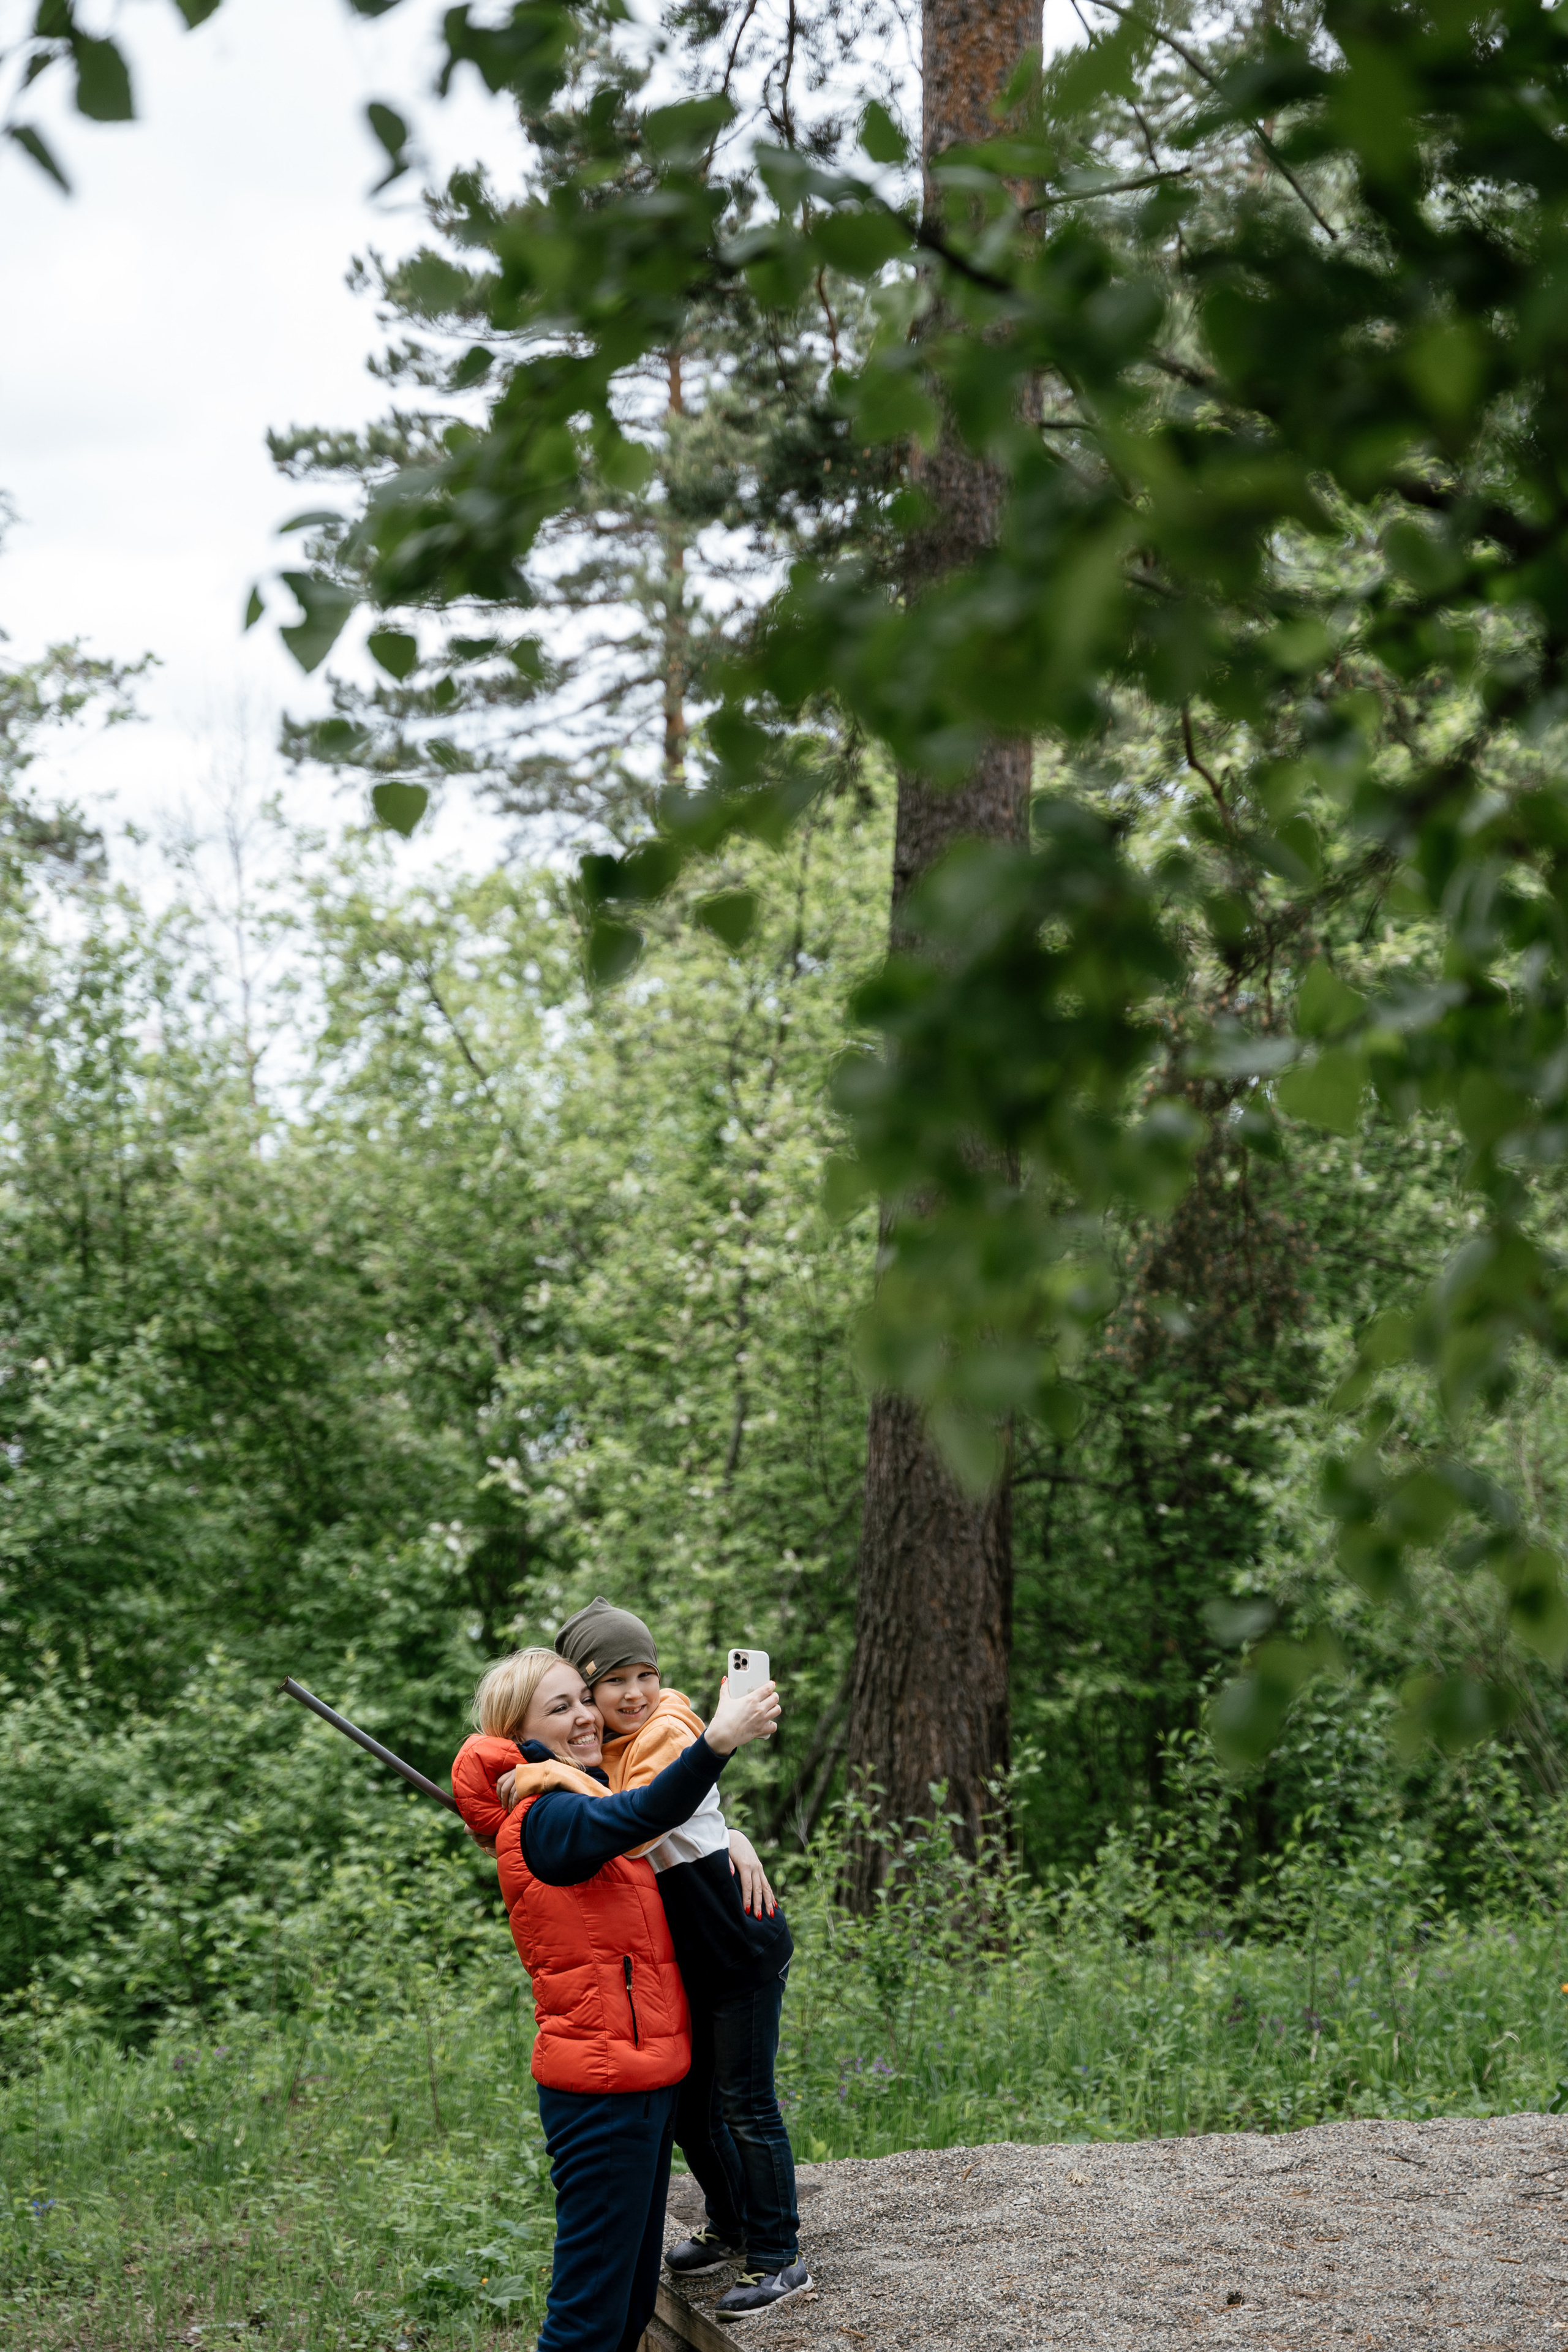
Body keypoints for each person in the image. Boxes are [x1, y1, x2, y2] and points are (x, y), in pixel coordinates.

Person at [450, 1647, 780, 2352]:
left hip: (639, 2078)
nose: (586, 1716)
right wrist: (717, 1738)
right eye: (559, 1707)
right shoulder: (547, 1817)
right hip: (603, 2088)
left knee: (628, 2305)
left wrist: (731, 1838)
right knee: (586, 2325)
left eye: (583, 1699)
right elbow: (641, 1813)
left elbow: (654, 1832)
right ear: (518, 1734)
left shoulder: (579, 1799)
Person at [551, 1597, 810, 2322]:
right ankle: (731, 2224)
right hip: (691, 1959)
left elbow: (632, 1828)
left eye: (645, 1673)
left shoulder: (668, 1725)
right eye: (614, 1682)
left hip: (738, 1945)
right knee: (695, 2115)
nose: (634, 1692)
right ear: (587, 1692)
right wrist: (731, 1830)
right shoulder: (600, 1751)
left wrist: (552, 1784)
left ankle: (779, 2258)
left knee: (746, 2104)